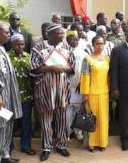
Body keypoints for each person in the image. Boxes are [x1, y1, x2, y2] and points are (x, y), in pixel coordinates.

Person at [30, 24, 75, 161]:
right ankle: (46, 147)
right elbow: (33, 68)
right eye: (59, 34)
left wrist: (63, 67)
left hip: (62, 91)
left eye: (63, 33)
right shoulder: (38, 48)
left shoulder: (67, 47)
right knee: (46, 121)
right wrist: (51, 67)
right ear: (50, 34)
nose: (62, 36)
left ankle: (61, 145)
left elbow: (72, 67)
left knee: (62, 119)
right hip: (45, 91)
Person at [0, 21, 22, 163]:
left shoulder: (1, 49)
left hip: (8, 97)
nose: (9, 35)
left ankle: (5, 156)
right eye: (6, 32)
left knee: (8, 125)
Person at [80, 35, 110, 152]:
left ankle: (102, 142)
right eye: (98, 43)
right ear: (93, 45)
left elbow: (108, 77)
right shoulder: (87, 59)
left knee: (103, 119)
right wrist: (85, 94)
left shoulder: (107, 59)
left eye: (102, 43)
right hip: (91, 94)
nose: (100, 46)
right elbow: (85, 77)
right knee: (92, 119)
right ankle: (91, 143)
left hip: (104, 93)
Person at [8, 33, 36, 155]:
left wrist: (34, 93)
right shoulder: (7, 57)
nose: (21, 47)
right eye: (17, 44)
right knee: (10, 123)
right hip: (11, 97)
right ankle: (8, 147)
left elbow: (33, 76)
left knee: (26, 123)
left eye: (22, 44)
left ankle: (25, 146)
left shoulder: (28, 57)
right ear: (12, 44)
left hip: (27, 96)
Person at [66, 30, 86, 141]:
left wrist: (82, 82)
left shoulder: (83, 53)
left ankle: (78, 131)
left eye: (77, 38)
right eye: (73, 38)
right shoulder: (63, 52)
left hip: (79, 87)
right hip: (66, 88)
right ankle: (67, 132)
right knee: (67, 112)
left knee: (79, 111)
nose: (76, 40)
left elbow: (85, 70)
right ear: (67, 39)